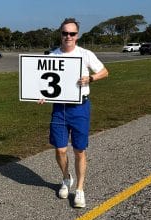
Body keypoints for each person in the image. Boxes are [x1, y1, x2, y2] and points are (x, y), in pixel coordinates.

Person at [39, 18, 109, 208]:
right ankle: (65, 178)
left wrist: (91, 78)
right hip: (59, 109)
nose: (68, 36)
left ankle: (79, 189)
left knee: (79, 150)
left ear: (77, 35)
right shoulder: (53, 56)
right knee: (60, 149)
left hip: (80, 108)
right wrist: (41, 94)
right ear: (60, 34)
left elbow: (104, 72)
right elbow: (44, 83)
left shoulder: (85, 54)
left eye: (72, 33)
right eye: (65, 33)